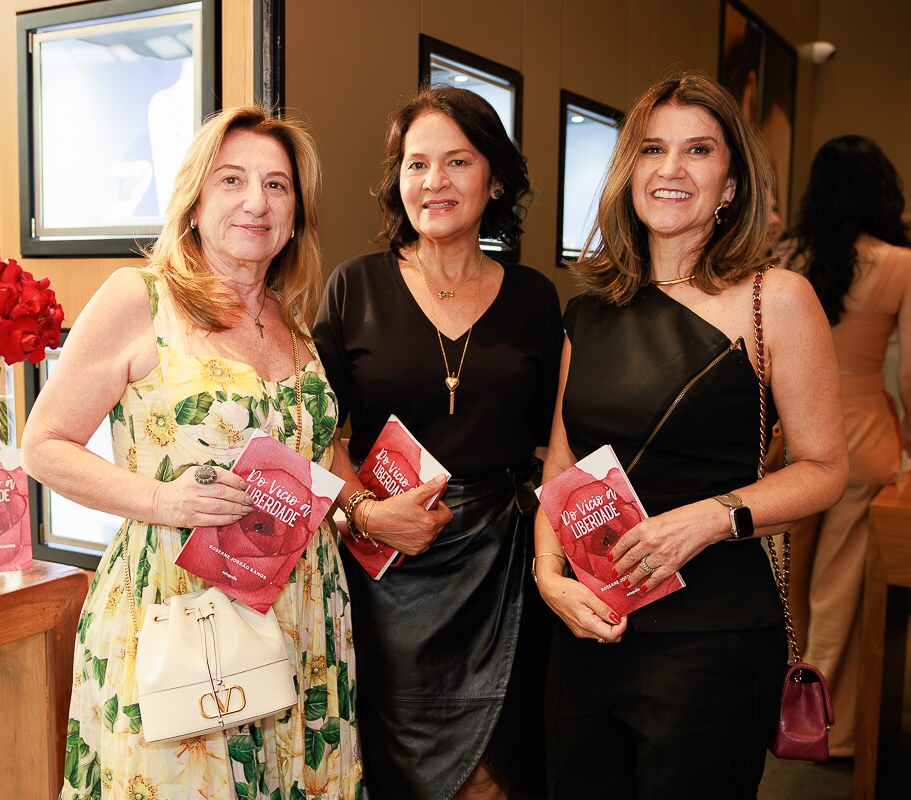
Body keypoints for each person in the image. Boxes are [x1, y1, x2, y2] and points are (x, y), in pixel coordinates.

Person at [22, 106, 367, 799]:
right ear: (195, 200)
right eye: (231, 179)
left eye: (277, 186)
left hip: (299, 600)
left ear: (295, 216)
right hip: (179, 603)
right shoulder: (139, 298)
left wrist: (360, 511)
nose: (255, 201)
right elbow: (43, 446)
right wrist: (161, 498)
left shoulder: (293, 318)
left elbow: (318, 454)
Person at [533, 72, 848, 799]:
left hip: (713, 638)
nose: (671, 169)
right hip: (590, 626)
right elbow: (562, 460)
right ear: (628, 172)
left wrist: (711, 518)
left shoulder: (777, 299)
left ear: (731, 184)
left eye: (698, 150)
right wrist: (550, 577)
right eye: (652, 149)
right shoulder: (592, 307)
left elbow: (827, 467)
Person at [313, 86, 563, 800]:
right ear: (398, 180)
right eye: (417, 164)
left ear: (495, 179)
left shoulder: (536, 298)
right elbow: (319, 433)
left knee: (501, 772)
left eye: (458, 161)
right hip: (388, 567)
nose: (436, 181)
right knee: (402, 771)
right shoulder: (354, 286)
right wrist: (364, 513)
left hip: (504, 564)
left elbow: (557, 446)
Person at [778, 134, 911, 757]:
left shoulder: (788, 257)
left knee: (789, 582)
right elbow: (909, 376)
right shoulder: (900, 264)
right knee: (840, 592)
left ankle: (778, 714)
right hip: (865, 434)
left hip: (793, 434)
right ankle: (824, 732)